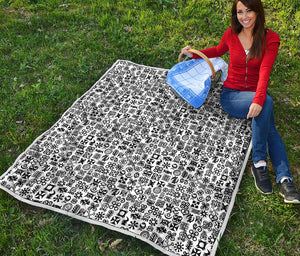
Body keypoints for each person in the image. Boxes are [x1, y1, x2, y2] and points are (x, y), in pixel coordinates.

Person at [181, 0, 300, 204]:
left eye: (249, 11)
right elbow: (218, 50)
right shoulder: (231, 34)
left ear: (258, 11)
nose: (244, 16)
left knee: (267, 116)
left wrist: (259, 99)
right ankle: (267, 167)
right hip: (232, 95)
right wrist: (194, 55)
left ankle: (280, 176)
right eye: (240, 12)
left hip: (254, 92)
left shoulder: (271, 39)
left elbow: (265, 71)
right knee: (267, 107)